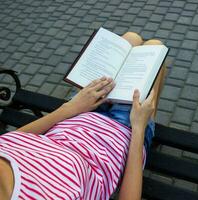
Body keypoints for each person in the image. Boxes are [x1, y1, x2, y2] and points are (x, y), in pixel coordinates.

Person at [0, 32, 166, 200]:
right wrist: (139, 128)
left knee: (130, 39)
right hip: (123, 132)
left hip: (77, 113)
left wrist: (70, 107)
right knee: (155, 47)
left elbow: (14, 139)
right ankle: (150, 123)